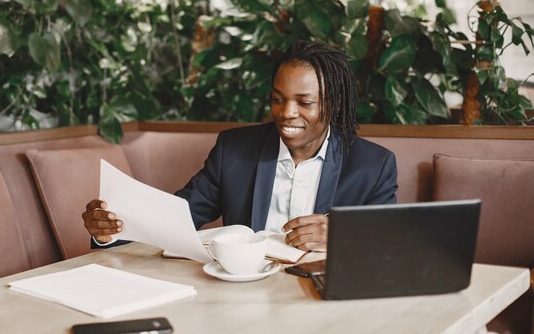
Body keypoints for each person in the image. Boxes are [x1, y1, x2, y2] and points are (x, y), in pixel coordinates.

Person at [82, 40, 397, 252]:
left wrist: (341, 237)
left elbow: (390, 243)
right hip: (241, 294)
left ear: (335, 104)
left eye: (305, 102)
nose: (286, 113)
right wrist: (111, 231)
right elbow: (177, 219)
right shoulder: (234, 149)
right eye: (277, 99)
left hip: (321, 300)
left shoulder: (372, 165)